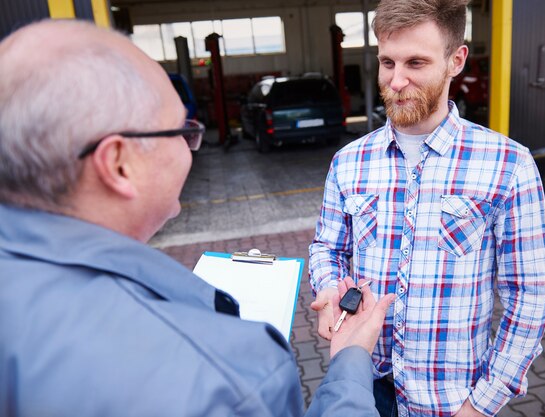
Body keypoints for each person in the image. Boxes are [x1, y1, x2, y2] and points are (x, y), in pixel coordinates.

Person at [0, 20, 395, 417]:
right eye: (180, 130)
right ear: (118, 164)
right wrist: (350, 362)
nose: (191, 146)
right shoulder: (228, 376)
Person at [309, 1, 545, 416]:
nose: (396, 80)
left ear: (456, 60)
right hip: (360, 389)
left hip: (453, 401)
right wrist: (330, 288)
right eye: (387, 62)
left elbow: (531, 296)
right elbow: (326, 247)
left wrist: (483, 404)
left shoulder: (508, 164)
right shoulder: (349, 161)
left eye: (416, 62)